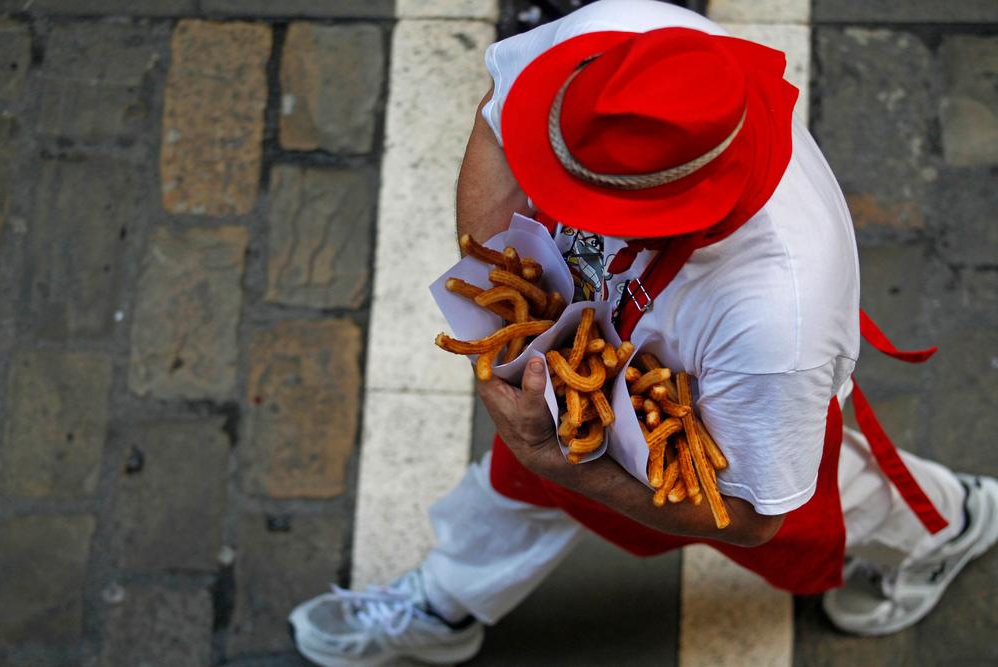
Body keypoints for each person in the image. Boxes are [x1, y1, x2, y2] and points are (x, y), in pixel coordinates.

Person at [287, 2, 998, 665]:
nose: (555, 200)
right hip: (607, 351)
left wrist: (560, 459)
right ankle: (444, 606)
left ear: (679, 208)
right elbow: (496, 123)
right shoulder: (617, 44)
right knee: (508, 488)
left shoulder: (777, 328)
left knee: (823, 495)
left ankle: (950, 522)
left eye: (582, 197)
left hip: (712, 400)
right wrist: (506, 310)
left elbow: (750, 517)